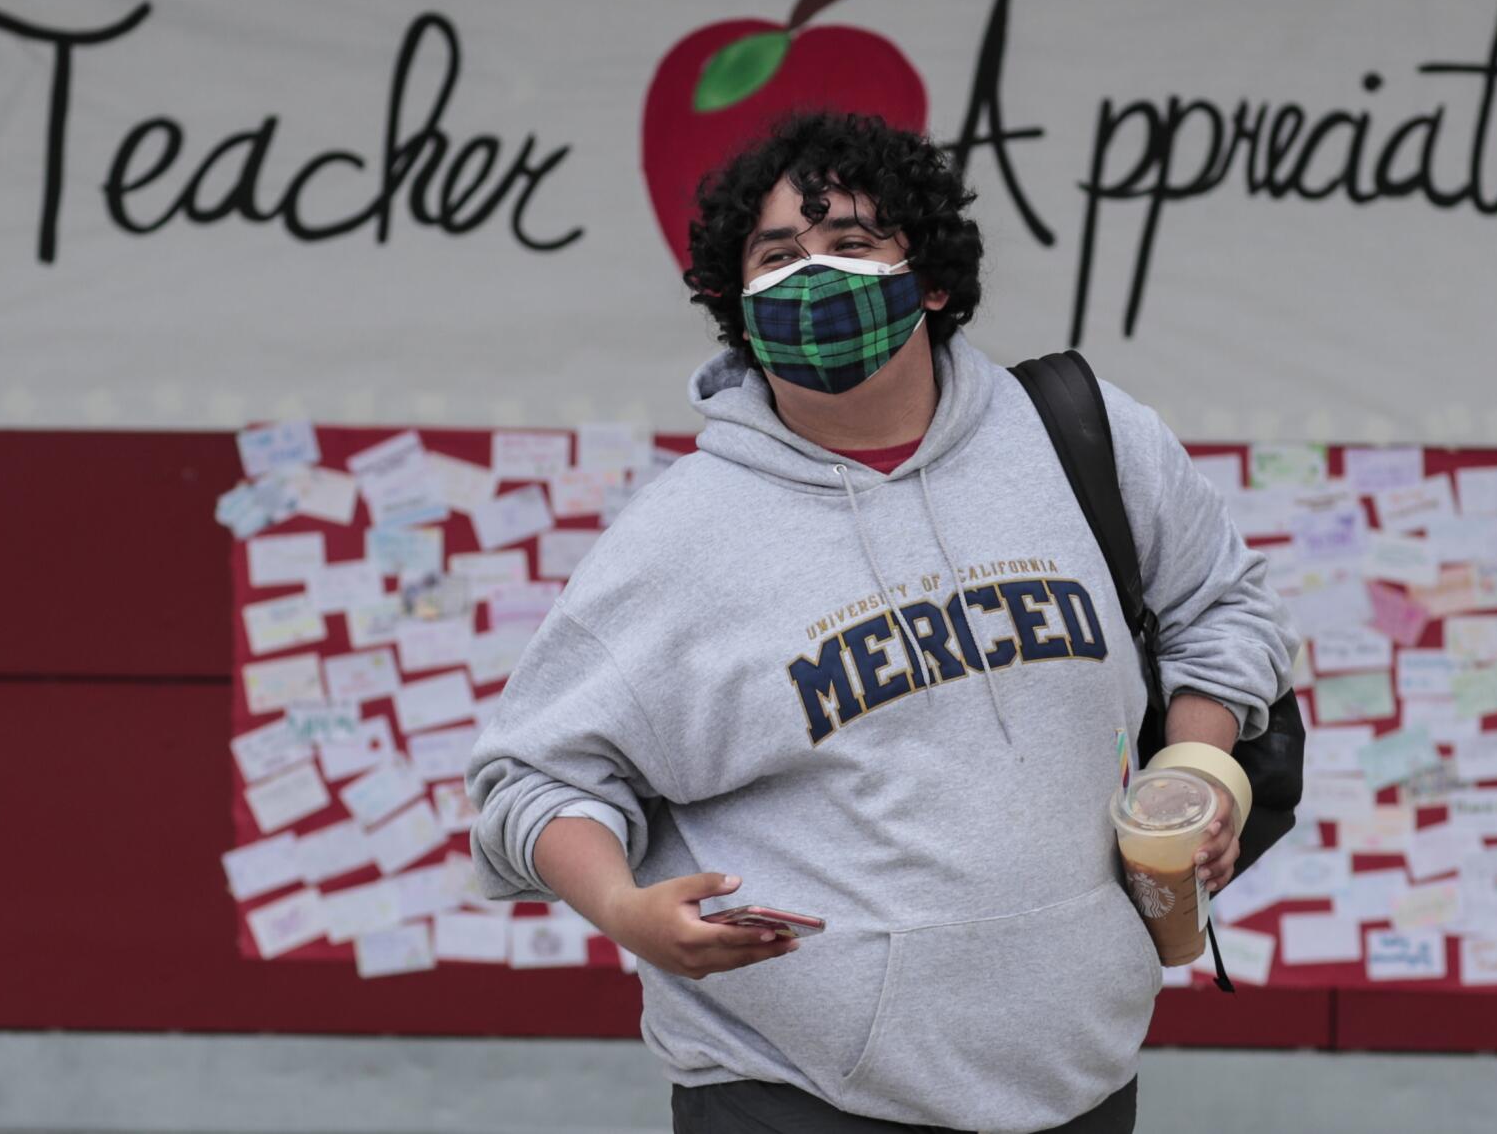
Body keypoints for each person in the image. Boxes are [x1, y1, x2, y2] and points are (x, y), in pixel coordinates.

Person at [467, 110, 1297, 1134]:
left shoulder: (1083, 436)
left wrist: (1190, 773)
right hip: (794, 1091)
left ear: (930, 278)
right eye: (776, 256)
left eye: (851, 243)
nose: (812, 276)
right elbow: (533, 776)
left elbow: (1218, 606)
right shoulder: (676, 538)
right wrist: (622, 909)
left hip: (1077, 1072)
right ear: (735, 302)